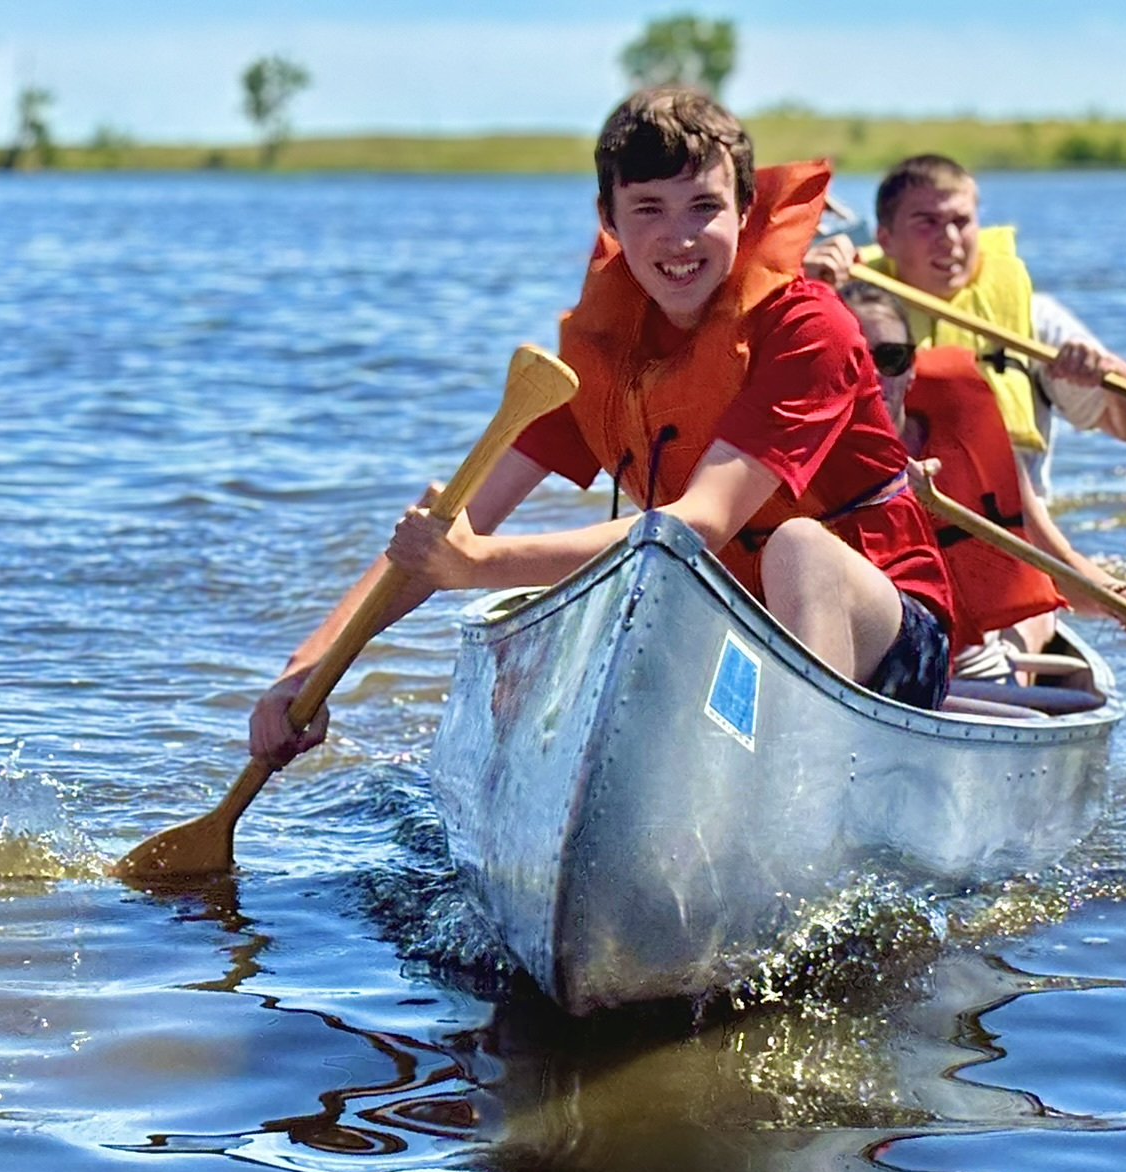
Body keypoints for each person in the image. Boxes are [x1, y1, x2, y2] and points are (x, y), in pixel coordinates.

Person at [250, 87, 958, 766]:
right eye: (648, 208)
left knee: (797, 547)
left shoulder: (810, 329)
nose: (679, 237)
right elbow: (455, 524)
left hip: (888, 644)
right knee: (548, 639)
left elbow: (700, 523)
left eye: (704, 206)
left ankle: (799, 801)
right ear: (609, 220)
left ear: (746, 211)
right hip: (733, 631)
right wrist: (307, 671)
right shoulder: (604, 355)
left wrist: (479, 565)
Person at [837, 280, 1126, 679]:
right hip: (861, 662)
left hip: (970, 666)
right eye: (856, 357)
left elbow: (1056, 564)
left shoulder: (975, 441)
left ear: (912, 369)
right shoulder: (799, 459)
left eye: (891, 358)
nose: (875, 374)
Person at [804, 153, 1126, 501]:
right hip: (887, 512)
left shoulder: (1033, 318)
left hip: (1010, 524)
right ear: (885, 239)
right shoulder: (837, 313)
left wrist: (1103, 371)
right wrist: (801, 284)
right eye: (927, 222)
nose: (949, 239)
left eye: (961, 222)